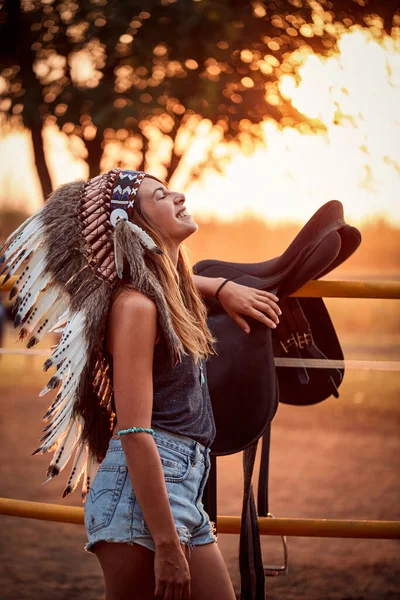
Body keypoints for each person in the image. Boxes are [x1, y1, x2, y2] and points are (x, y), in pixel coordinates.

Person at [0, 169, 281, 600]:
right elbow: (133, 432)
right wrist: (167, 545)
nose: (180, 197)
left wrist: (221, 287)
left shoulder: (165, 298)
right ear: (135, 226)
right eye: (162, 197)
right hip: (141, 498)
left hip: (178, 487)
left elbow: (174, 281)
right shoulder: (136, 308)